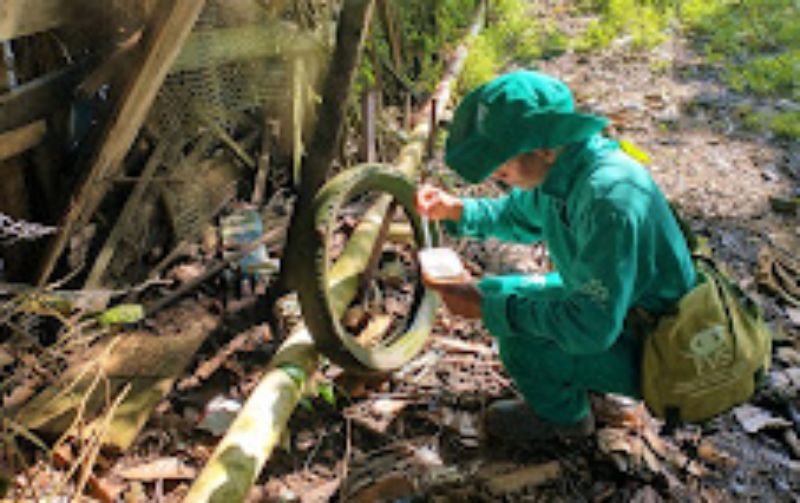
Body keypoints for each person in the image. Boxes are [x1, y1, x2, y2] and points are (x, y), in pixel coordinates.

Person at [416, 70, 696, 441]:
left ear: (544, 148)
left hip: (663, 345)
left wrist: (489, 310)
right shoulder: (564, 170)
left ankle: (566, 422)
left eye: (502, 165)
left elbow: (590, 327)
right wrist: (455, 210)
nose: (498, 175)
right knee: (496, 292)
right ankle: (588, 384)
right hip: (616, 311)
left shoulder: (607, 201)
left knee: (518, 336)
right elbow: (515, 215)